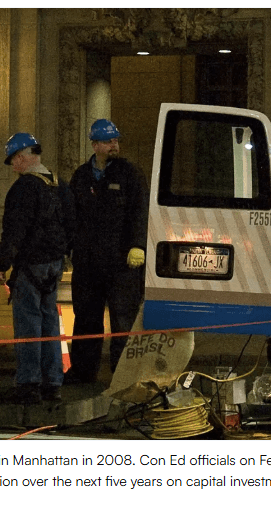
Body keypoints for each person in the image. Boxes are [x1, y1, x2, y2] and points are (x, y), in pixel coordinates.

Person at [0, 133, 75, 404]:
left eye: (13, 159)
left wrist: (1, 264)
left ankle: (28, 385)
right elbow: (71, 224)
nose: (13, 165)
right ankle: (52, 384)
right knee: (50, 322)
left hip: (30, 266)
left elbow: (14, 231)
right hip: (54, 266)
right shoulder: (59, 185)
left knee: (28, 324)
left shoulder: (24, 188)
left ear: (22, 156)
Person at [67, 119, 149, 382]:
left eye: (115, 140)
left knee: (122, 321)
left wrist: (138, 245)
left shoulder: (129, 174)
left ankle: (122, 375)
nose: (114, 145)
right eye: (108, 141)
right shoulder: (81, 177)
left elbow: (140, 212)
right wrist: (71, 249)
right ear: (95, 145)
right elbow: (72, 216)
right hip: (89, 264)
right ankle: (82, 372)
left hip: (122, 264)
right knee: (86, 320)